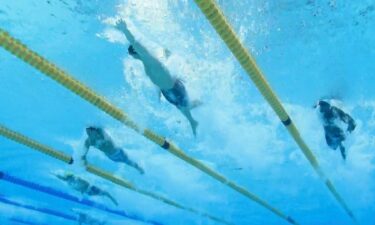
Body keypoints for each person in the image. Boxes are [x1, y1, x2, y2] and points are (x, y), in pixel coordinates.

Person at [115, 19, 200, 136]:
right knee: (182, 107)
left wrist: (124, 30)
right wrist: (159, 92)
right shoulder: (146, 62)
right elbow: (157, 79)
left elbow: (135, 42)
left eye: (131, 54)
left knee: (184, 107)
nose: (131, 56)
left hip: (174, 89)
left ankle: (194, 118)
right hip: (167, 91)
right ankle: (193, 118)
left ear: (135, 53)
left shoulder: (148, 58)